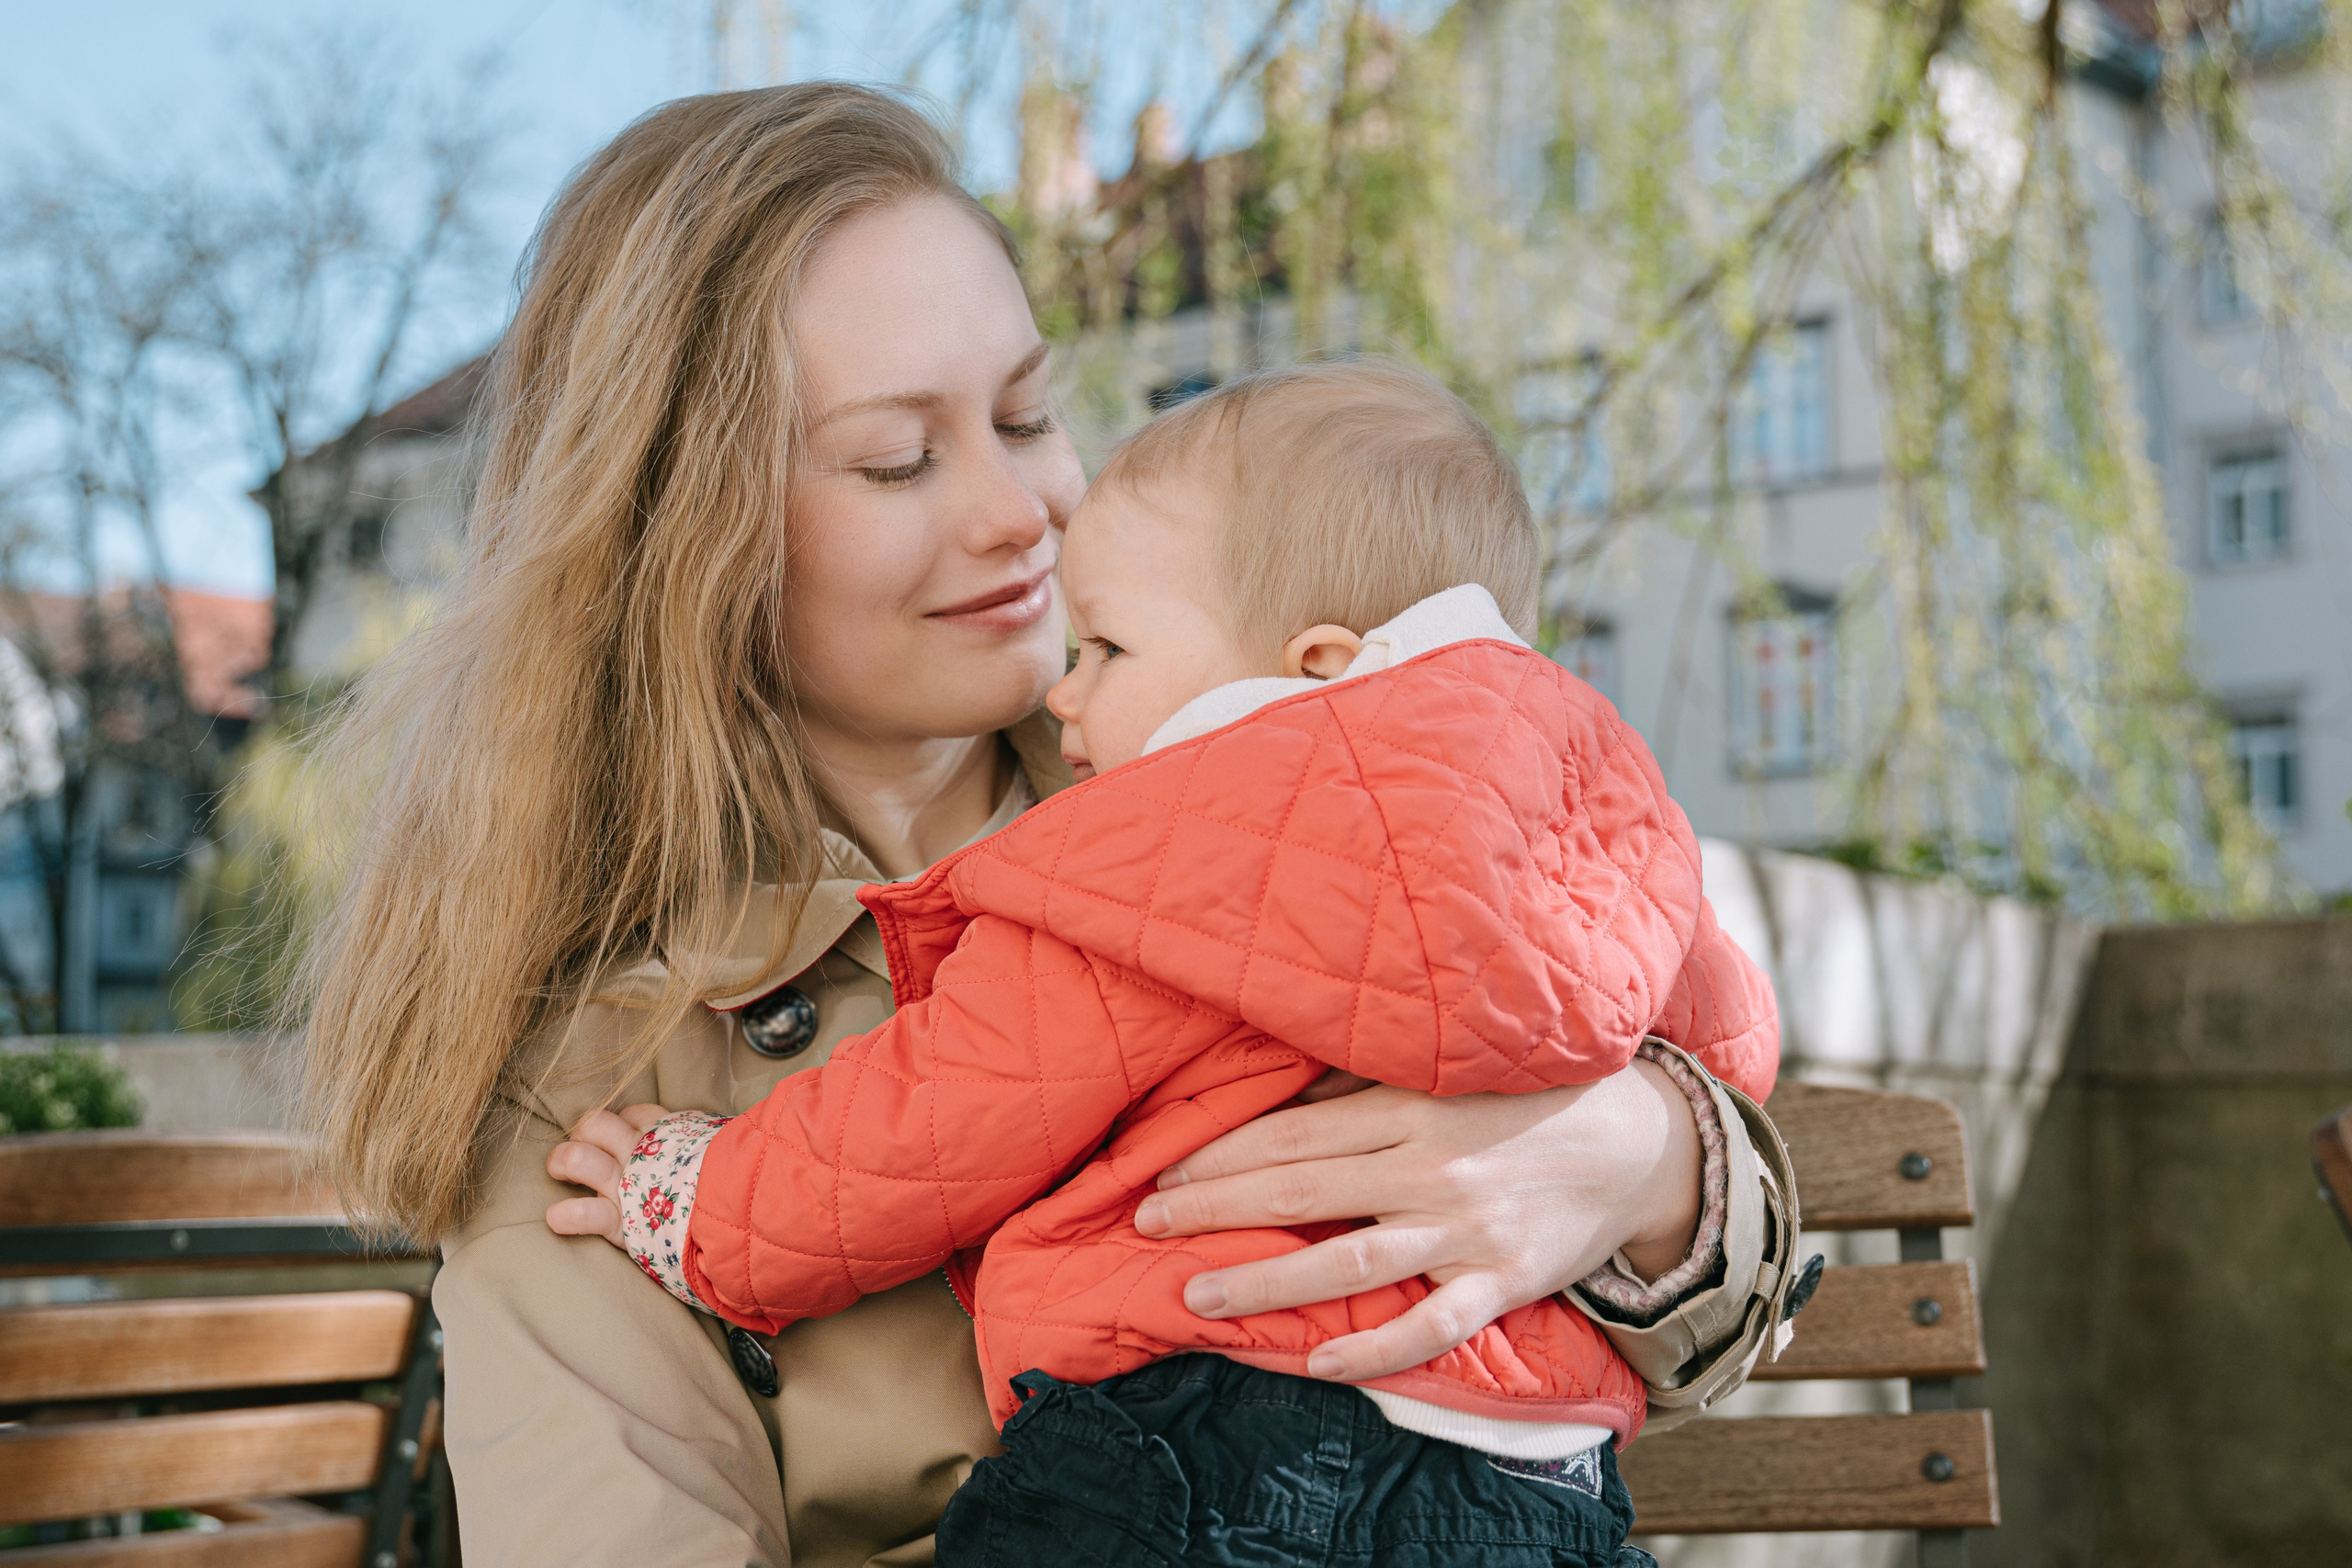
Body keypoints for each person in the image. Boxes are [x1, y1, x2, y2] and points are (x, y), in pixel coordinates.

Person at [296, 82, 1798, 1568]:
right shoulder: (591, 1080)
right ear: (691, 541)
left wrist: (1645, 1160)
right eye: (900, 458)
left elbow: (1712, 1227)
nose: (1026, 511)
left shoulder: (1267, 785)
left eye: (1027, 413)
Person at [544, 359, 1790, 1568]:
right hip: (1539, 1479)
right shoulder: (1605, 805)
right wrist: (1653, 1128)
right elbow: (1728, 1036)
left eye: (1109, 653)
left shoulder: (1150, 855)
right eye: (898, 458)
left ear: (1312, 675)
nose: (1068, 695)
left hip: (1214, 1450)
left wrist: (697, 1204)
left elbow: (925, 1124)